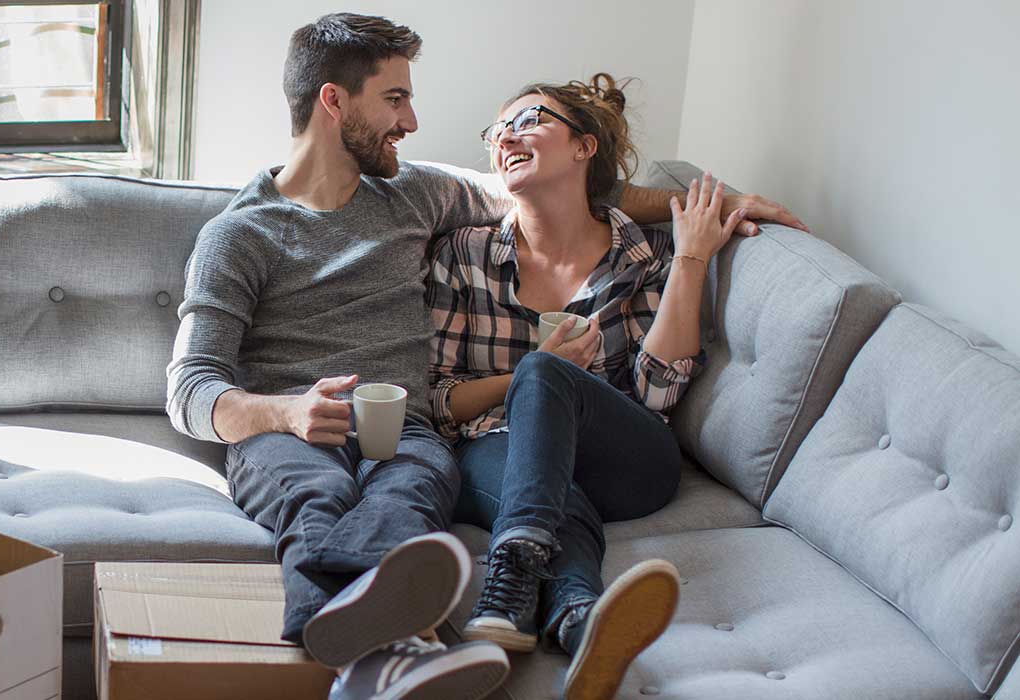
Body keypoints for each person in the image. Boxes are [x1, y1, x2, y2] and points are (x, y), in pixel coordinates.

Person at [165, 13, 801, 698]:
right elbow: (190, 387)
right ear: (333, 101)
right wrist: (285, 414)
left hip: (406, 430)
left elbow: (580, 190)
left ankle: (399, 654)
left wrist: (717, 202)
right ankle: (387, 648)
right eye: (395, 99)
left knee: (415, 490)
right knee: (318, 492)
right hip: (287, 432)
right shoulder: (239, 236)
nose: (410, 121)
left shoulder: (417, 192)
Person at [427, 74, 780, 700]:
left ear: (585, 147)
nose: (507, 135)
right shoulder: (463, 254)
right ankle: (575, 618)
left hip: (629, 459)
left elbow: (655, 396)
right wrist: (527, 374)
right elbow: (439, 399)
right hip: (500, 450)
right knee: (539, 419)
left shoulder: (644, 255)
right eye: (497, 130)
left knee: (546, 373)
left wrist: (692, 259)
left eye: (529, 118)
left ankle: (507, 582)